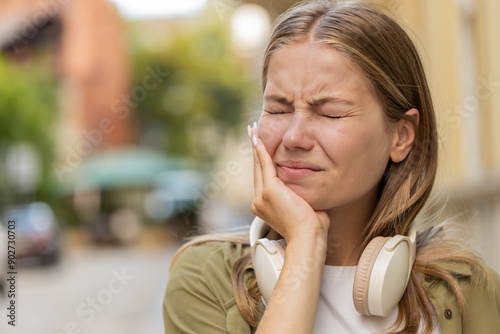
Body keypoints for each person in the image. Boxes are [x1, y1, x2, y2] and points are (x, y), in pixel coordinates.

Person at [163, 1, 500, 333]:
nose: (294, 137)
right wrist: (304, 243)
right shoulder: (204, 278)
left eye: (330, 113)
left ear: (401, 136)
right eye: (278, 109)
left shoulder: (470, 290)